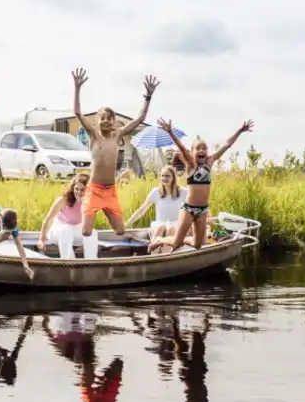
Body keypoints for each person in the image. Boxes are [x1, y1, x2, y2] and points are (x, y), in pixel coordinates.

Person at [70, 67, 158, 259]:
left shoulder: (118, 135)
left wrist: (148, 96)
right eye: (102, 118)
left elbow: (140, 119)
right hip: (94, 189)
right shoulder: (93, 135)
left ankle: (104, 210)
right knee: (86, 231)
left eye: (109, 119)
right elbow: (77, 112)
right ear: (97, 121)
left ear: (114, 122)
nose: (106, 121)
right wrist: (77, 88)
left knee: (120, 230)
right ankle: (86, 216)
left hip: (110, 191)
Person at [158, 117, 253, 251]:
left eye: (204, 148)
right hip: (189, 209)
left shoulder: (210, 162)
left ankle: (183, 241)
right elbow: (182, 149)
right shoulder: (191, 165)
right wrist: (170, 132)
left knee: (197, 244)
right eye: (198, 149)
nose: (201, 151)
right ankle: (160, 240)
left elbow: (226, 145)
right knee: (175, 243)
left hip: (203, 210)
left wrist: (240, 130)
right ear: (192, 152)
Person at [125, 164, 187, 237]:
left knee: (170, 229)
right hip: (159, 224)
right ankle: (154, 244)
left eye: (167, 176)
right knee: (161, 228)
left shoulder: (183, 192)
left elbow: (194, 208)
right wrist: (126, 225)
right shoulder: (156, 192)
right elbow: (141, 210)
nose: (164, 178)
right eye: (162, 176)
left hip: (175, 224)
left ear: (173, 177)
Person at [39, 173, 89, 259]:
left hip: (75, 230)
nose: (78, 192)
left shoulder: (89, 202)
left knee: (93, 233)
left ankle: (91, 261)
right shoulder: (64, 200)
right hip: (59, 231)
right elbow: (48, 219)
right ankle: (69, 262)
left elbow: (87, 225)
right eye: (76, 189)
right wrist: (41, 240)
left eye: (82, 190)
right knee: (66, 230)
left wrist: (85, 205)